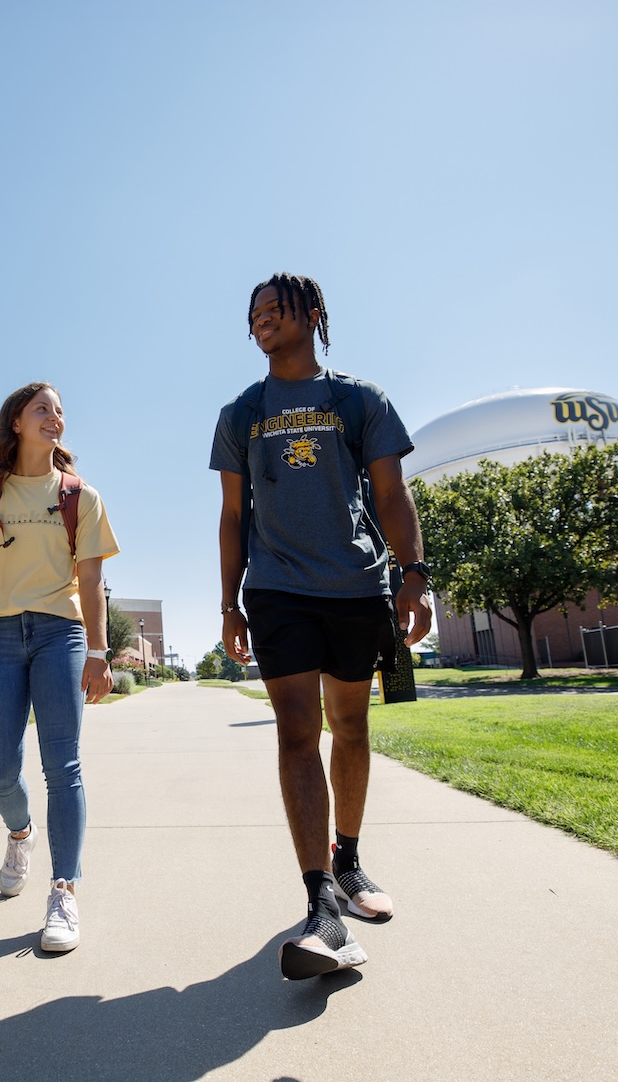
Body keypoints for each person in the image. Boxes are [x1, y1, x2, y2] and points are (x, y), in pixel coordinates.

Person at [210, 273, 433, 980]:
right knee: (297, 733)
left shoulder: (358, 399)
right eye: (254, 315)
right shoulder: (241, 411)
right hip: (276, 588)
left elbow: (393, 492)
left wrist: (415, 575)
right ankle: (320, 905)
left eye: (274, 309)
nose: (262, 322)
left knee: (353, 726)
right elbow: (231, 516)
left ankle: (350, 859)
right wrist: (228, 602)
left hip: (357, 586)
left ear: (313, 314)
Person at [0, 382, 119, 953]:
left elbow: (92, 580)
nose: (55, 417)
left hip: (59, 633)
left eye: (60, 411)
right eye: (43, 409)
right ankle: (20, 832)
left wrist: (97, 650)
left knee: (63, 764)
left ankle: (64, 889)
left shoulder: (80, 496)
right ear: (16, 421)